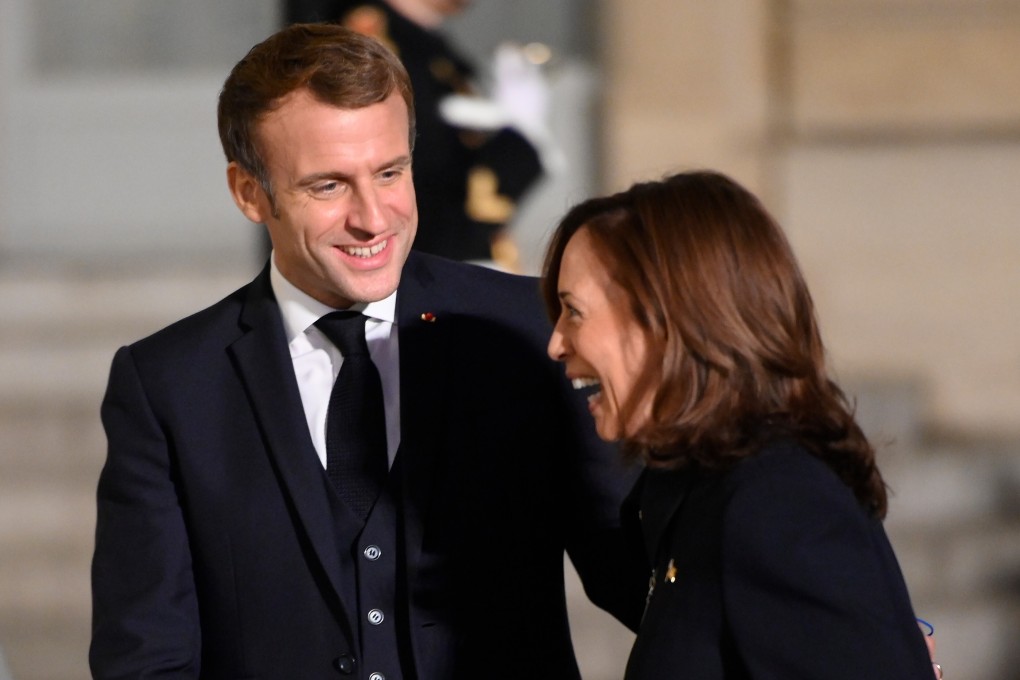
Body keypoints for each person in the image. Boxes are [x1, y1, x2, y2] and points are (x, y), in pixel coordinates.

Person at [89, 23, 645, 679]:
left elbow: (645, 580)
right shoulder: (169, 386)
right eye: (327, 186)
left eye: (390, 172)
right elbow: (147, 657)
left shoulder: (527, 329)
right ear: (248, 192)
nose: (373, 218)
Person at [541, 169, 942, 679]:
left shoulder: (779, 502)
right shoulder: (690, 487)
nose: (556, 343)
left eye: (574, 312)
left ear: (669, 318)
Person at [283, 0, 549, 270]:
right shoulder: (373, 41)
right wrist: (519, 143)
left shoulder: (427, 44)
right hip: (417, 268)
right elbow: (417, 171)